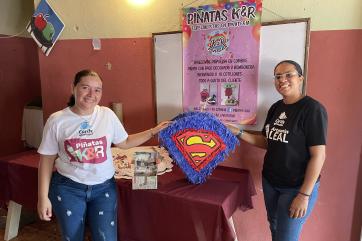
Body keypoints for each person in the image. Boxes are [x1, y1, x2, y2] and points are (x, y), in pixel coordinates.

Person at [37, 69, 170, 241]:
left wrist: (153, 131)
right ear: (73, 88)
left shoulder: (107, 115)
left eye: (97, 89)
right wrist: (43, 198)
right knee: (72, 237)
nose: (91, 94)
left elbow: (125, 142)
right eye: (85, 87)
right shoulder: (57, 120)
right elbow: (46, 160)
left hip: (104, 189)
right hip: (68, 188)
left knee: (106, 238)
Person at [226, 60, 328, 241]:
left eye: (289, 75)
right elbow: (267, 142)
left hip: (296, 187)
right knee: (274, 226)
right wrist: (238, 132)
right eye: (278, 76)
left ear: (301, 78)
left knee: (286, 237)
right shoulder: (275, 107)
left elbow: (318, 156)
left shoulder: (312, 109)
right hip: (271, 182)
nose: (282, 80)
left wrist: (304, 195)